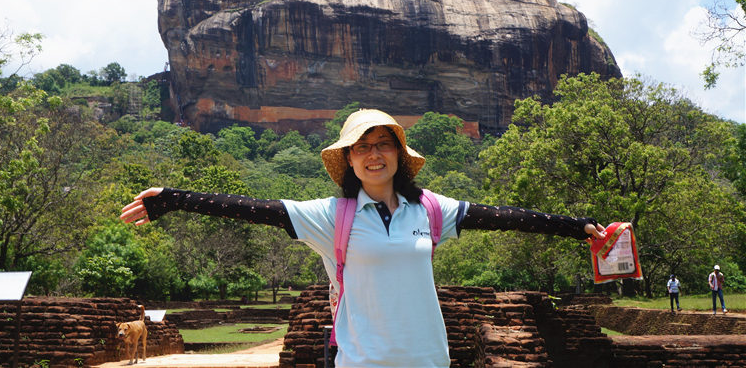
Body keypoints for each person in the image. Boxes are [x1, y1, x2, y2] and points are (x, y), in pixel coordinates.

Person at [121, 108, 606, 368]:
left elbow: (506, 216)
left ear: (399, 153)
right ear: (349, 160)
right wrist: (171, 198)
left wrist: (575, 226)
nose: (374, 155)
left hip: (428, 359)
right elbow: (252, 209)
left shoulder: (431, 209)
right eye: (363, 147)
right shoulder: (331, 216)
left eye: (383, 145)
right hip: (362, 362)